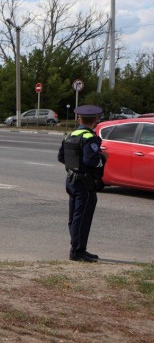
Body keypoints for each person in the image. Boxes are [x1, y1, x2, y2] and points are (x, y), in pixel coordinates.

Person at [57, 104, 104, 262]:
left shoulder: (70, 136)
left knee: (74, 217)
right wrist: (103, 159)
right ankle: (77, 251)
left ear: (79, 118)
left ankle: (76, 247)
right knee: (82, 218)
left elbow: (61, 157)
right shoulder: (89, 138)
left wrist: (75, 168)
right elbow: (91, 160)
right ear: (95, 120)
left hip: (71, 180)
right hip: (85, 183)